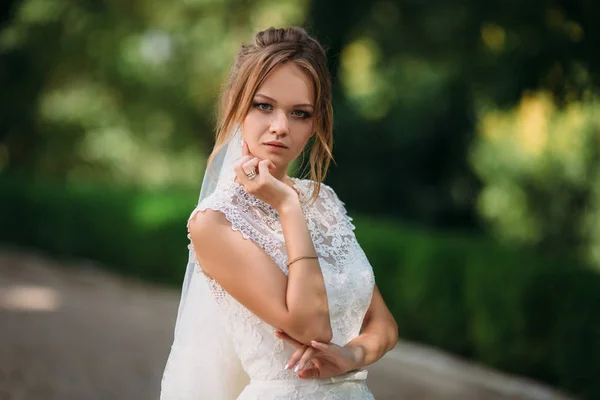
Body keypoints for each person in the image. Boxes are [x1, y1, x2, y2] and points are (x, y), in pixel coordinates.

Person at [160, 26, 398, 400]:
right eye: (264, 105)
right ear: (237, 107)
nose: (280, 127)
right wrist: (287, 207)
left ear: (315, 123)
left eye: (300, 113)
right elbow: (311, 325)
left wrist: (350, 356)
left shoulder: (325, 201)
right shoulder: (214, 222)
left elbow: (382, 323)